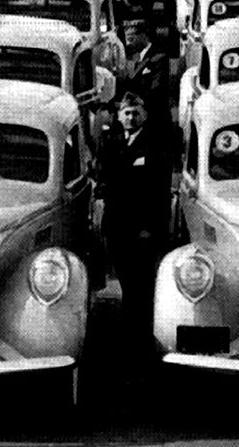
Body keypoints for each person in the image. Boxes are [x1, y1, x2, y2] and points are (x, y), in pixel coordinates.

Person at [97, 87, 171, 345]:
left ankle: (141, 335)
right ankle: (129, 330)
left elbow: (159, 191)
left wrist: (151, 227)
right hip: (117, 224)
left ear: (145, 115)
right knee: (125, 278)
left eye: (135, 113)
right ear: (119, 116)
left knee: (142, 283)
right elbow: (105, 179)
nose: (130, 118)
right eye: (126, 113)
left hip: (142, 228)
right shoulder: (112, 142)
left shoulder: (155, 145)